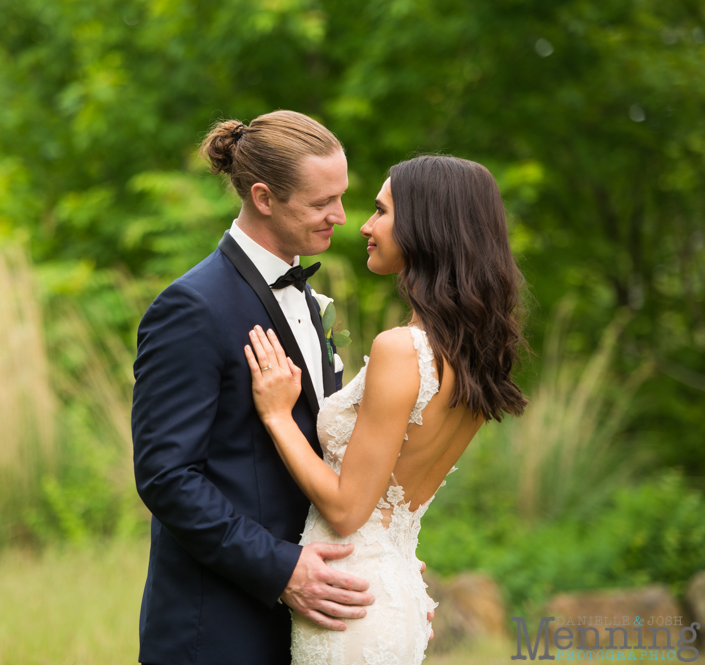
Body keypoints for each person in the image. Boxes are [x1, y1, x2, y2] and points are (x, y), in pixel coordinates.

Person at [244, 154, 529, 664]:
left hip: (351, 604)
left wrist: (276, 417)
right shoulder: (470, 357)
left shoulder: (403, 349)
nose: (364, 226)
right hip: (392, 587)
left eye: (380, 211)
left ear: (427, 226)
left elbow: (349, 509)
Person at [132, 110, 376, 665]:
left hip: (311, 620)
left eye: (341, 197)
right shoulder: (190, 307)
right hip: (218, 629)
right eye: (321, 203)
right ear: (264, 197)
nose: (341, 216)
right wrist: (282, 568)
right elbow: (166, 477)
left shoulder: (315, 305)